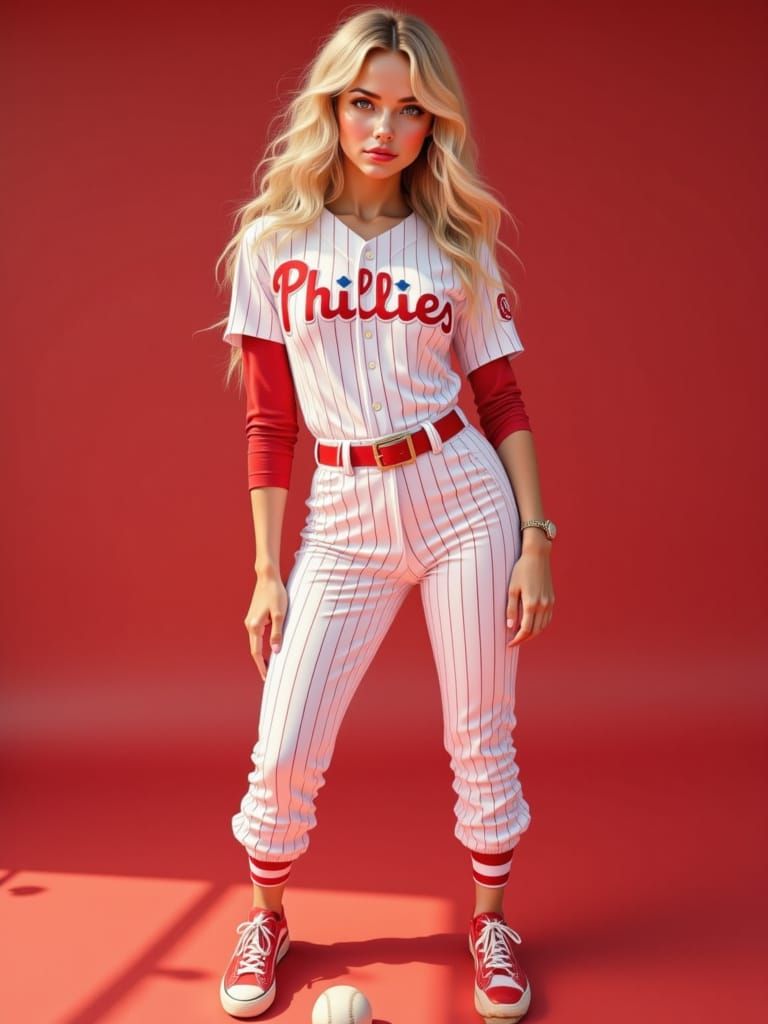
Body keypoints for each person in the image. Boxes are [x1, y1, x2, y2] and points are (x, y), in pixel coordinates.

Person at [215, 8, 556, 1020]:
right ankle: (266, 915)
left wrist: (537, 535)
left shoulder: (456, 240)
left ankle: (491, 921)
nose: (384, 126)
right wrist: (269, 567)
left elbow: (502, 398)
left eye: (410, 108)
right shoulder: (274, 242)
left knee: (480, 733)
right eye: (364, 101)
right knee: (283, 743)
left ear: (432, 124)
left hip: (461, 497)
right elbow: (271, 418)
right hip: (346, 514)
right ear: (332, 105)